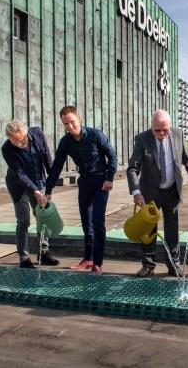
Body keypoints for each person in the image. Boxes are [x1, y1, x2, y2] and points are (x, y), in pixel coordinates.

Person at [126, 109, 188, 277]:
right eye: (157, 130)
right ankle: (148, 265)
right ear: (151, 127)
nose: (161, 133)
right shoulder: (142, 139)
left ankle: (173, 264)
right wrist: (136, 192)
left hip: (172, 191)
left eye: (164, 129)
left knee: (172, 228)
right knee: (148, 230)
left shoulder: (178, 135)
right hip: (149, 193)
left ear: (170, 125)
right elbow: (132, 168)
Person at [45, 106, 117, 275]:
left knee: (98, 221)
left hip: (101, 181)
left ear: (79, 119)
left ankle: (97, 264)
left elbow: (112, 156)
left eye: (72, 122)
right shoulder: (66, 142)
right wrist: (48, 190)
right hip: (84, 182)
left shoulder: (95, 135)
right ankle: (88, 258)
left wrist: (110, 178)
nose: (70, 126)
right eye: (66, 124)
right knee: (86, 223)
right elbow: (56, 167)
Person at [1, 119, 60, 269]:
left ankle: (43, 252)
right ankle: (24, 258)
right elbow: (19, 174)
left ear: (26, 133)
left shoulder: (37, 133)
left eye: (21, 141)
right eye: (15, 143)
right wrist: (35, 191)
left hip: (38, 183)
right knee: (23, 221)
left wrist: (48, 190)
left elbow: (47, 159)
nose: (19, 145)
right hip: (19, 186)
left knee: (43, 217)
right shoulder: (7, 148)